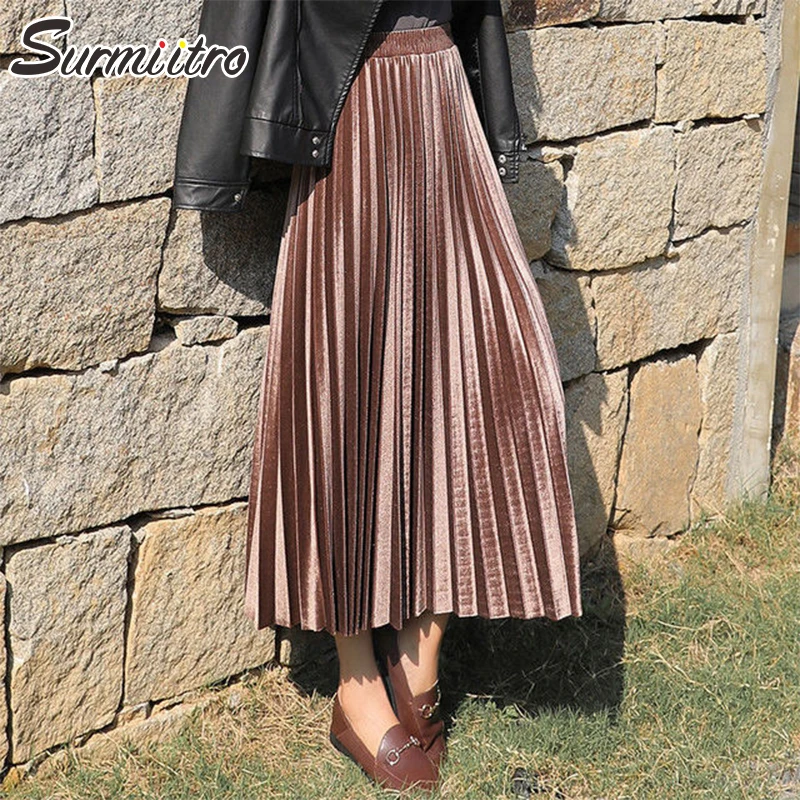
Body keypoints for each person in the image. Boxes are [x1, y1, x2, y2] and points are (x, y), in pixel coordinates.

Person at [174, 0, 583, 793]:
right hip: (351, 114)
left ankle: (421, 650)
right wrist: (213, 148)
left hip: (446, 102)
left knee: (483, 373)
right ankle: (357, 685)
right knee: (346, 393)